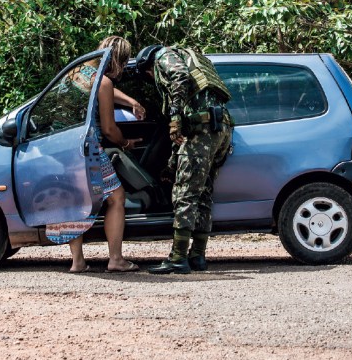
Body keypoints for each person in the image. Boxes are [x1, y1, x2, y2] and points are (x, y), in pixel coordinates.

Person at [135, 44, 233, 274]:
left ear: (147, 65)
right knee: (203, 193)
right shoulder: (193, 58)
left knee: (185, 194)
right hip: (220, 128)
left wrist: (175, 116)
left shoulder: (163, 56)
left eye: (149, 75)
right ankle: (198, 256)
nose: (152, 77)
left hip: (203, 129)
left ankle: (178, 258)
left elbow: (179, 76)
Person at [52, 36, 143, 273]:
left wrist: (130, 100)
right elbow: (110, 130)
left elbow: (101, 89)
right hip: (87, 150)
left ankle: (78, 262)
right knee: (116, 197)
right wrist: (125, 143)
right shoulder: (103, 83)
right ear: (118, 60)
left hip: (63, 148)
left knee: (76, 201)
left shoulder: (76, 73)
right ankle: (116, 259)